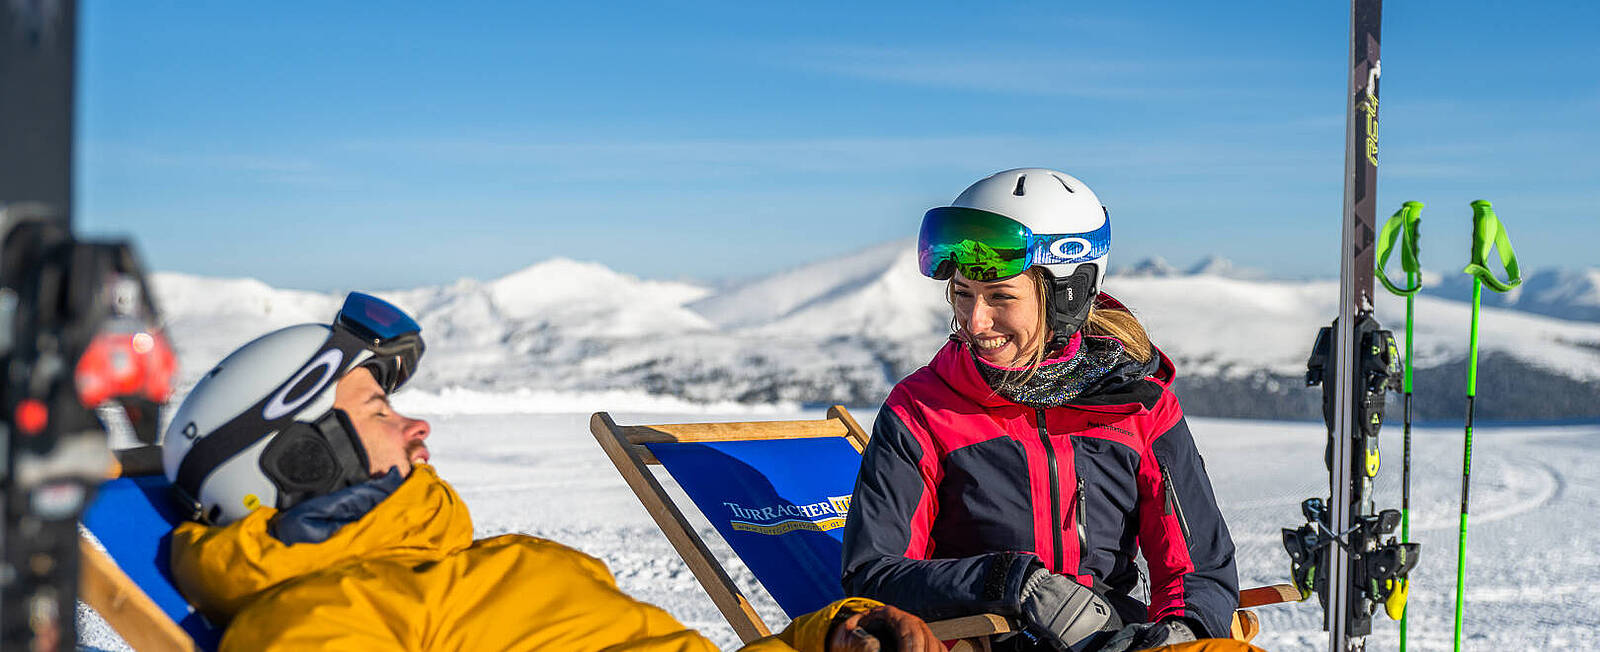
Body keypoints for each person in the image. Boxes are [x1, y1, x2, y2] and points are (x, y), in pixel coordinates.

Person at [161, 291, 941, 652]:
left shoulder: (452, 567)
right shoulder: (326, 617)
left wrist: (825, 639)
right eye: (378, 411)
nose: (417, 426)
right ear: (301, 461)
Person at [841, 169, 1241, 652]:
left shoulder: (1139, 406)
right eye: (963, 295)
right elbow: (876, 575)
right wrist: (1014, 584)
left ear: (1067, 294)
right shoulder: (922, 409)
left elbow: (1198, 566)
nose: (975, 321)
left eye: (1000, 297)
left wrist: (1186, 631)